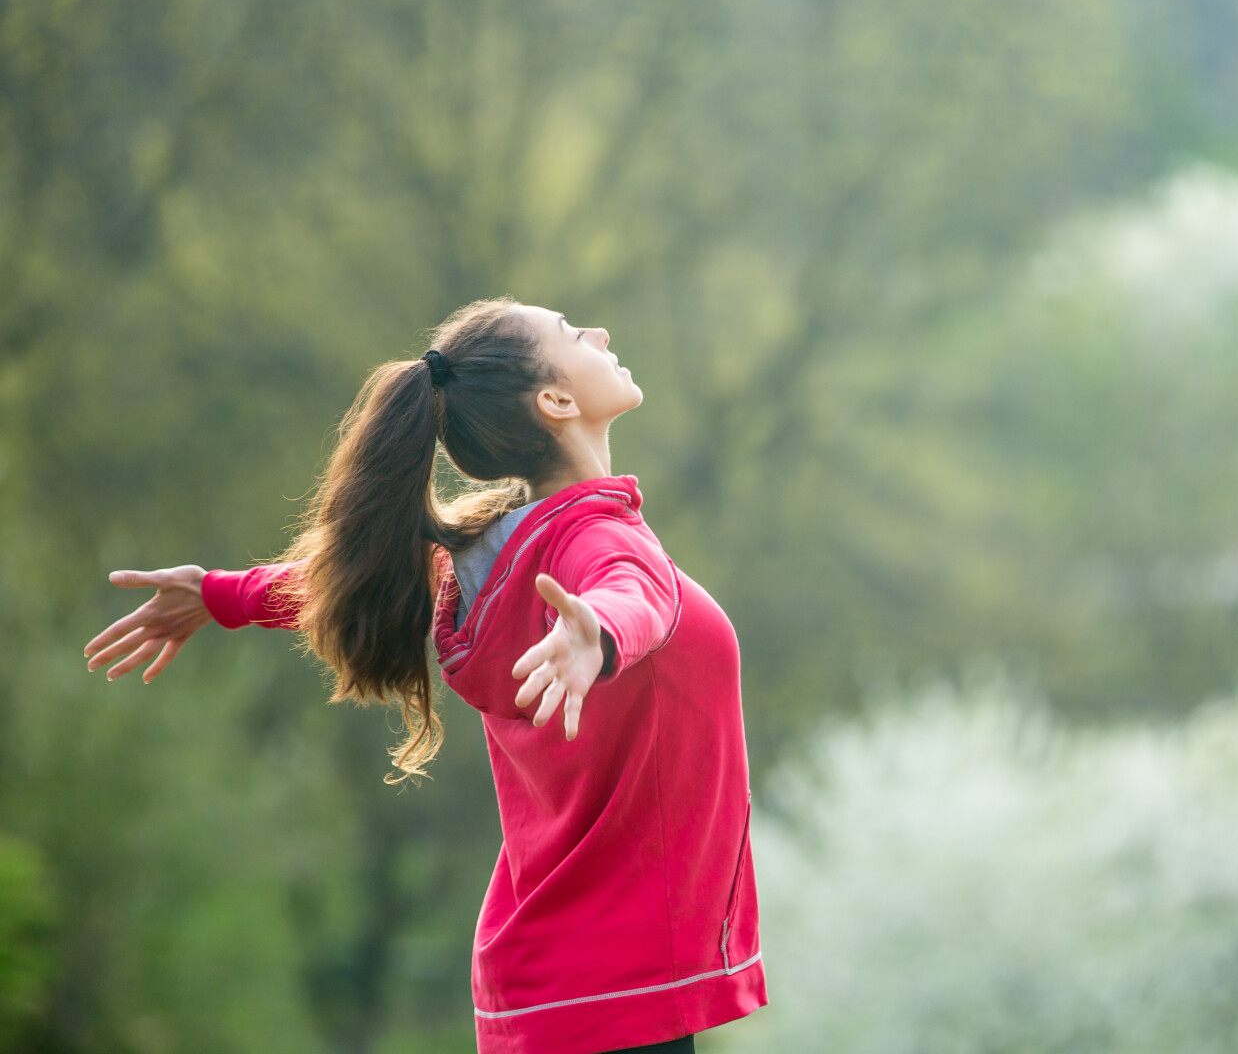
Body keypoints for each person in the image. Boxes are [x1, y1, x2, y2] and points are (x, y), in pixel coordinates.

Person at [80, 298, 764, 1054]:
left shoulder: (501, 556)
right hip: (617, 984)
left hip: (561, 983)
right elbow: (630, 590)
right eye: (573, 333)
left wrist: (221, 595)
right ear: (556, 401)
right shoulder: (591, 539)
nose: (599, 333)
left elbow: (365, 578)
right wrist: (596, 637)